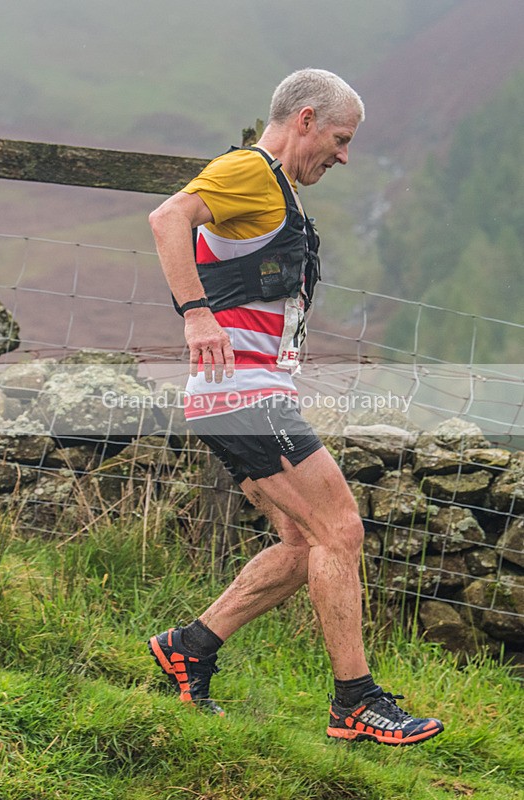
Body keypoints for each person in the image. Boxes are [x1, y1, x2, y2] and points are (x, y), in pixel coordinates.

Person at [148, 68, 443, 746]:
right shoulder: (248, 171)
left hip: (249, 396)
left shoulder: (274, 190)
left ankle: (189, 647)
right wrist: (196, 316)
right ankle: (355, 704)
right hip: (240, 397)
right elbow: (168, 217)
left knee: (302, 543)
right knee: (340, 529)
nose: (344, 156)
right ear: (305, 119)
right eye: (340, 139)